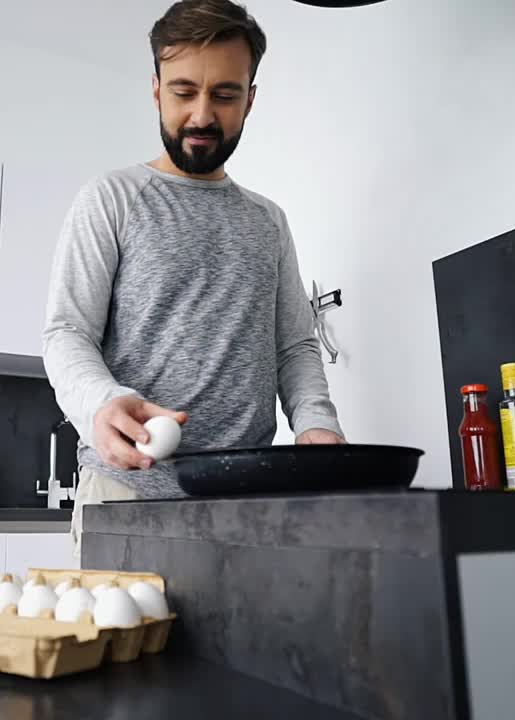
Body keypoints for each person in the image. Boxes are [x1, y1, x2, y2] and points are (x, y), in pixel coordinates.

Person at [42, 0, 345, 552]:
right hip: (126, 496)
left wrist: (316, 425)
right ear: (156, 89)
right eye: (184, 92)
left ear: (250, 99)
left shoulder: (268, 221)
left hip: (248, 506)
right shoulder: (111, 199)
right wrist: (102, 402)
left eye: (225, 95)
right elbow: (67, 333)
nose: (203, 115)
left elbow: (295, 346)